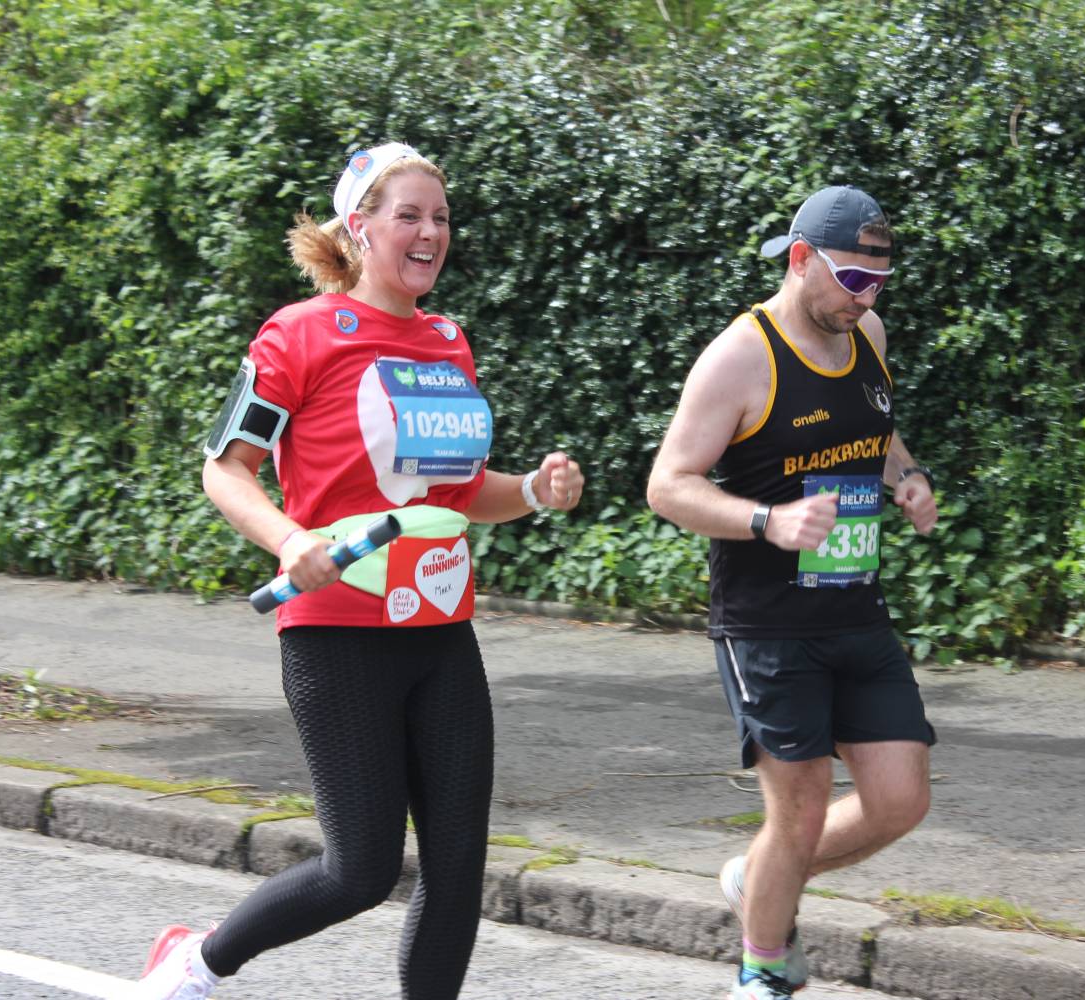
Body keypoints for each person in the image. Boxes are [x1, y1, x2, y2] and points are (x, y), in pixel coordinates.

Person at [134, 141, 585, 1000]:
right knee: (361, 869)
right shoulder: (298, 334)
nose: (430, 232)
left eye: (440, 217)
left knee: (458, 868)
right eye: (408, 215)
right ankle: (197, 961)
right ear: (359, 227)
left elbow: (453, 494)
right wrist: (287, 540)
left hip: (440, 628)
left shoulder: (448, 342)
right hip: (338, 633)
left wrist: (533, 489)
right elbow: (225, 470)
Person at [646, 185, 938, 1000]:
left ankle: (759, 880)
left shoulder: (866, 334)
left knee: (901, 798)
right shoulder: (741, 356)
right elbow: (667, 485)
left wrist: (908, 476)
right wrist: (767, 521)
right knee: (800, 811)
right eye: (853, 279)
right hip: (766, 625)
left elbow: (875, 429)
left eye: (879, 281)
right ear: (801, 259)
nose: (866, 298)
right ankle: (764, 967)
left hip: (854, 607)